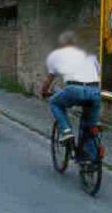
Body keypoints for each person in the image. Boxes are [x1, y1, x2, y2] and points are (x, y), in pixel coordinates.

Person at [40, 31, 101, 162]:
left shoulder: (57, 55)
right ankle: (90, 158)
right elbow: (98, 73)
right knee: (89, 125)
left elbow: (49, 79)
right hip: (95, 91)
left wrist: (44, 92)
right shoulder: (89, 55)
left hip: (74, 89)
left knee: (54, 102)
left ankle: (66, 131)